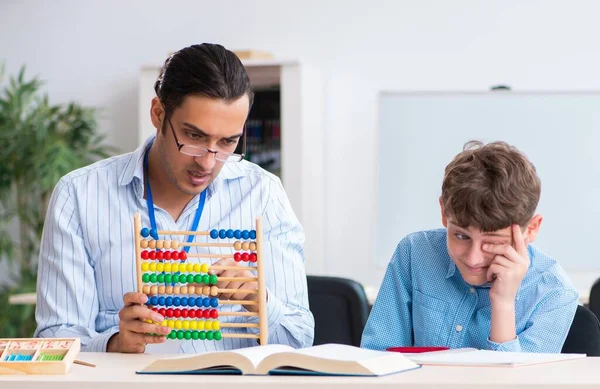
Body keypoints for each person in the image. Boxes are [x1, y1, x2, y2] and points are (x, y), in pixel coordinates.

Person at [35, 43, 314, 353]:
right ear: (158, 113)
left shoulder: (263, 194)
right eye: (194, 137)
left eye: (228, 142)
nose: (207, 163)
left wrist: (260, 302)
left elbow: (298, 339)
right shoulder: (79, 196)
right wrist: (113, 344)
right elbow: (55, 339)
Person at [361, 141, 578, 353]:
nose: (473, 258)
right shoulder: (415, 253)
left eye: (493, 243)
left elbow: (517, 385)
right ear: (444, 213)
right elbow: (376, 358)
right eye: (461, 236)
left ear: (530, 229)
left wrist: (503, 303)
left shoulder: (554, 294)